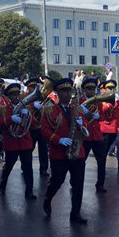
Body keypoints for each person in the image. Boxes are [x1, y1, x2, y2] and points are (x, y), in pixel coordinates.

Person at [40, 78, 89, 224]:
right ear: (58, 93)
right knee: (57, 181)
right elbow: (44, 130)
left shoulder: (77, 109)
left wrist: (82, 125)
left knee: (78, 183)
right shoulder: (49, 110)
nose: (68, 94)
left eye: (69, 91)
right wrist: (58, 139)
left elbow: (86, 127)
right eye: (64, 91)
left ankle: (76, 213)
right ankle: (48, 198)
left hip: (77, 152)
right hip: (59, 153)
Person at [0, 83, 37, 199]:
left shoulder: (26, 108)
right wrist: (11, 119)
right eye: (13, 95)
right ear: (9, 97)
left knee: (28, 168)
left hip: (25, 142)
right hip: (11, 143)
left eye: (17, 94)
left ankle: (29, 191)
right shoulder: (4, 109)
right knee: (8, 166)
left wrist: (28, 115)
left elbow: (34, 124)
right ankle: (3, 184)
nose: (17, 97)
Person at [79, 78, 108, 193]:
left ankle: (100, 184)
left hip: (97, 136)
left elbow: (103, 116)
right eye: (89, 89)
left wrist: (97, 116)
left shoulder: (98, 101)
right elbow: (74, 116)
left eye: (93, 89)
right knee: (81, 162)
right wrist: (84, 114)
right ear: (84, 90)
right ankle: (76, 183)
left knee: (101, 162)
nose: (91, 91)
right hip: (84, 137)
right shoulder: (79, 102)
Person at [99, 80, 119, 173]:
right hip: (108, 128)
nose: (111, 90)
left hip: (118, 127)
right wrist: (112, 102)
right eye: (109, 88)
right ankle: (101, 167)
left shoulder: (117, 100)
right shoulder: (102, 100)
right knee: (105, 149)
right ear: (105, 89)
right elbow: (103, 110)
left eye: (112, 88)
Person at [26, 78, 50, 176]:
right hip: (30, 128)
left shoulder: (43, 98)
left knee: (43, 150)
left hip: (41, 127)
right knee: (28, 149)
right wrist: (32, 105)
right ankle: (26, 167)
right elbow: (21, 106)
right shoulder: (24, 97)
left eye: (36, 87)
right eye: (32, 87)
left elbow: (50, 109)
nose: (34, 89)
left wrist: (44, 107)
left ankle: (43, 169)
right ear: (28, 88)